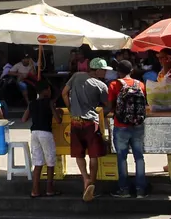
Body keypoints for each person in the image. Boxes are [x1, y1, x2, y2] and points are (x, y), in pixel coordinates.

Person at [62, 57, 110, 203]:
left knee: (79, 154)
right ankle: (91, 184)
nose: (105, 73)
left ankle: (85, 178)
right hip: (91, 123)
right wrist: (103, 114)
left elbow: (64, 93)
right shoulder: (102, 86)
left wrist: (71, 109)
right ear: (98, 70)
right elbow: (108, 105)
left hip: (75, 122)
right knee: (93, 156)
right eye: (104, 70)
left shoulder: (76, 76)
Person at [107, 60, 148, 199]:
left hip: (121, 126)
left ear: (118, 71)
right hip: (138, 125)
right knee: (139, 157)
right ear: (132, 71)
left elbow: (110, 106)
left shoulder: (114, 84)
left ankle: (124, 190)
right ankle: (141, 190)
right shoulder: (140, 84)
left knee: (122, 158)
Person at [22, 81, 62, 198]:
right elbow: (58, 120)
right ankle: (49, 189)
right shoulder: (50, 102)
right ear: (46, 90)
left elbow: (23, 119)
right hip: (46, 133)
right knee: (50, 162)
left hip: (34, 133)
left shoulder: (32, 103)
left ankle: (35, 190)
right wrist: (58, 112)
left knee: (37, 162)